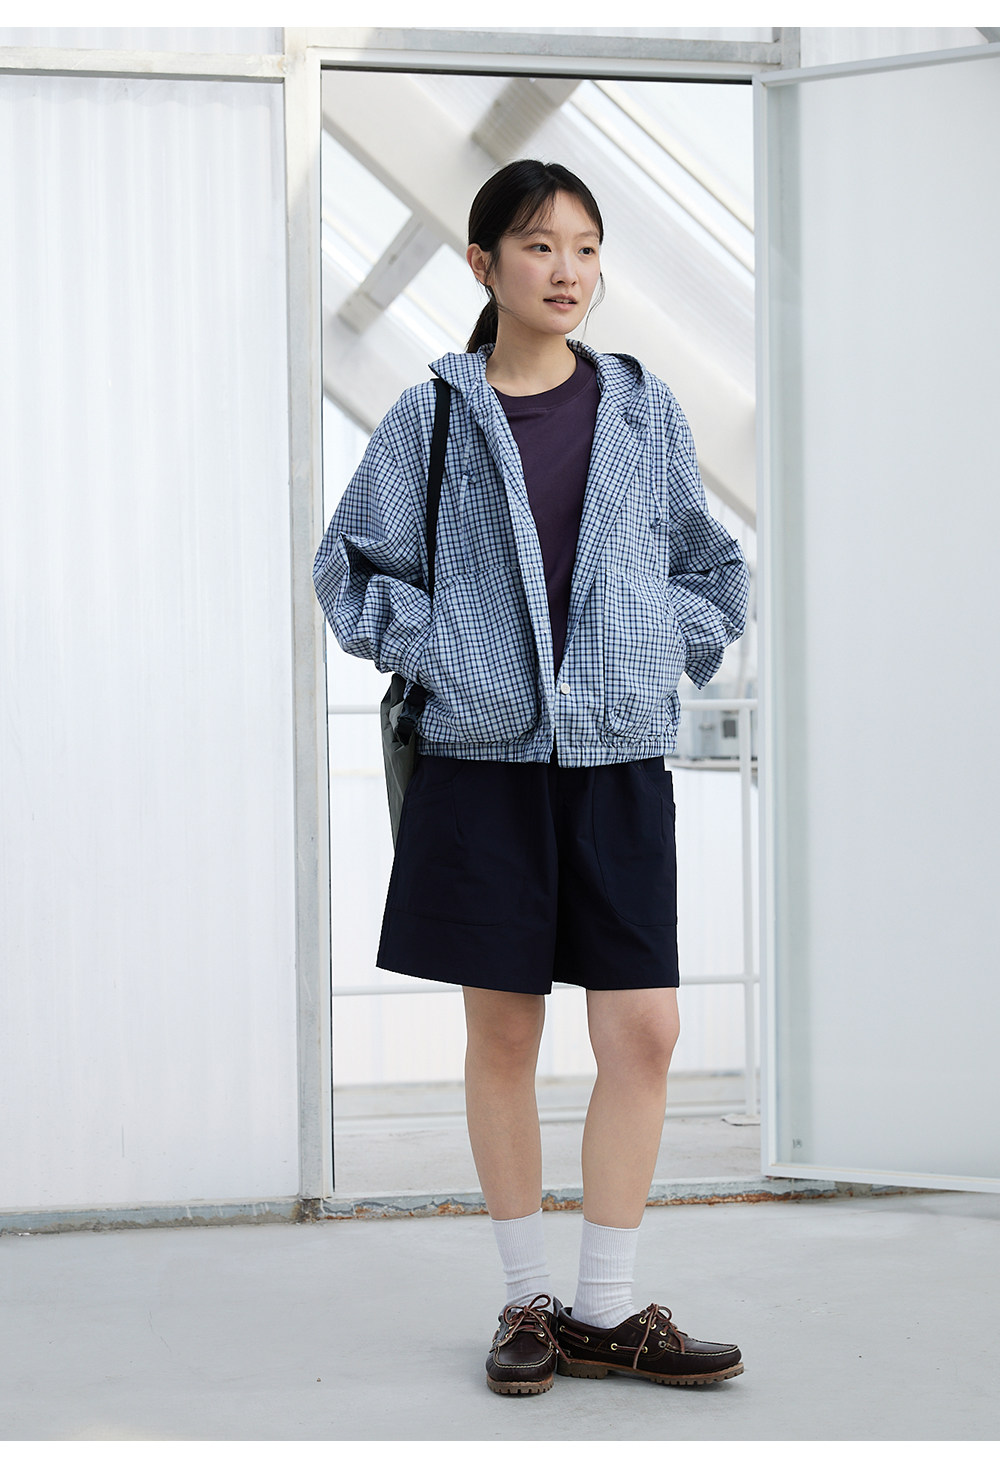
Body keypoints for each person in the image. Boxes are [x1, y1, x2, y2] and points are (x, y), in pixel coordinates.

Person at [314, 159, 750, 1396]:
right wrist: (445, 649)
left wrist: (657, 643)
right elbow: (348, 567)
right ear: (483, 264)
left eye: (586, 248)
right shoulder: (432, 417)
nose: (568, 271)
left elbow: (712, 565)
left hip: (616, 757)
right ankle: (526, 1301)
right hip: (481, 760)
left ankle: (606, 1309)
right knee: (504, 1031)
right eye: (541, 245)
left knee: (645, 1029)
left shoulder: (644, 409)